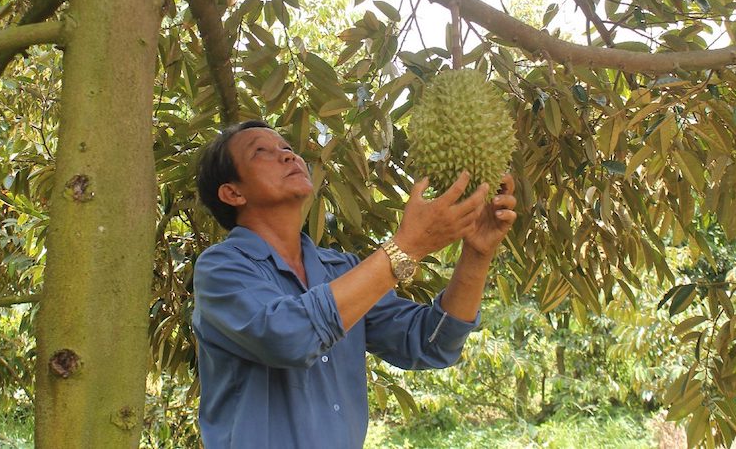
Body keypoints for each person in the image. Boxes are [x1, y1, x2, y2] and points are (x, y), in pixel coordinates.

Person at [192, 119, 518, 448]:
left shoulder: (340, 270)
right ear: (233, 193)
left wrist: (477, 254)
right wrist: (407, 246)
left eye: (287, 148)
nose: (288, 156)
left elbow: (430, 343)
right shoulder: (220, 269)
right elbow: (289, 336)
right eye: (261, 151)